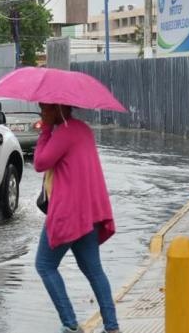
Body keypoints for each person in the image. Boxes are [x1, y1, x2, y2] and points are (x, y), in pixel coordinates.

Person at [34, 103, 119, 333]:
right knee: (94, 270)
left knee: (44, 265)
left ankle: (71, 324)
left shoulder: (63, 133)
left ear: (58, 109)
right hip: (88, 212)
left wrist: (44, 131)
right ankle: (112, 327)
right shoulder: (83, 130)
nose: (41, 111)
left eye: (44, 108)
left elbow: (40, 163)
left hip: (68, 214)